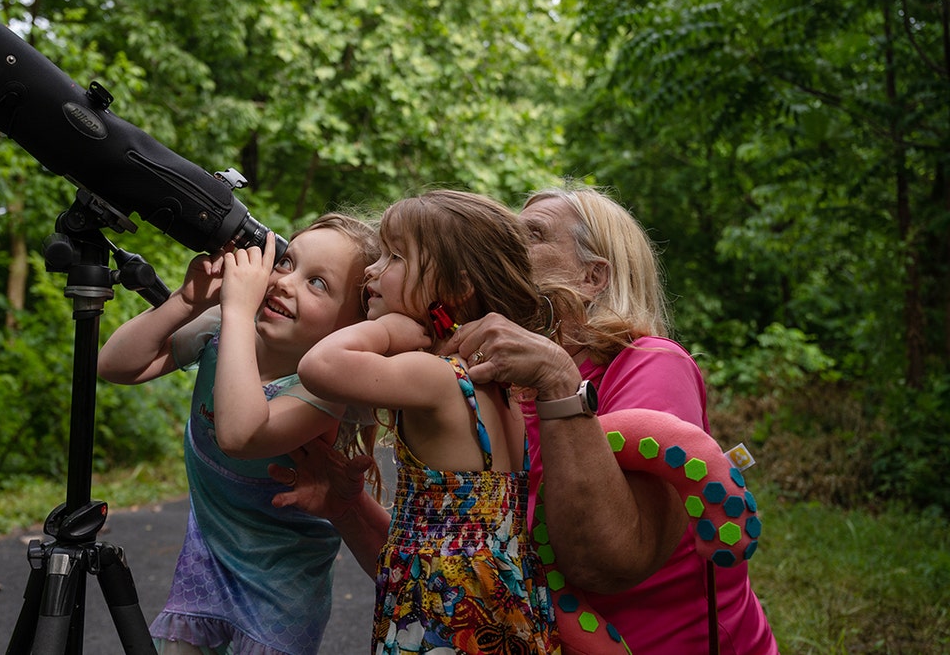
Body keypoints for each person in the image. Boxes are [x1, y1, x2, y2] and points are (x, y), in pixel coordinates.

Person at [275, 186, 777, 654]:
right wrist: (349, 508)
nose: (510, 244)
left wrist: (561, 384)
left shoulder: (651, 364)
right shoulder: (498, 386)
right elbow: (454, 562)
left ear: (592, 277)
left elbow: (608, 563)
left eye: (530, 235)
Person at [97, 213, 380, 655]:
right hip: (208, 549)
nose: (286, 282)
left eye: (318, 284)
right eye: (286, 263)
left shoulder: (323, 391)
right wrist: (185, 302)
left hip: (280, 579)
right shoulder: (225, 327)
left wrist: (235, 311)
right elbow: (116, 365)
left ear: (349, 328)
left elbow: (240, 434)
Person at [295, 190, 560, 654]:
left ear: (456, 288)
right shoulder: (497, 386)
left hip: (445, 608)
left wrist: (384, 331)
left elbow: (319, 366)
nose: (373, 270)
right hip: (499, 597)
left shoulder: (433, 376)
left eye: (395, 256)